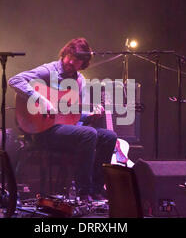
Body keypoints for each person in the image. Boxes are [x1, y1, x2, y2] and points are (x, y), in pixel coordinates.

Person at [8, 37, 117, 200]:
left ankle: (95, 189)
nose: (71, 63)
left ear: (84, 63)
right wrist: (41, 100)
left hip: (64, 129)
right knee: (89, 134)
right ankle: (83, 192)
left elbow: (74, 116)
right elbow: (15, 80)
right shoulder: (48, 70)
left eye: (77, 61)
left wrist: (90, 115)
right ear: (65, 53)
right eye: (69, 58)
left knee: (109, 137)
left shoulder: (80, 81)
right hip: (42, 130)